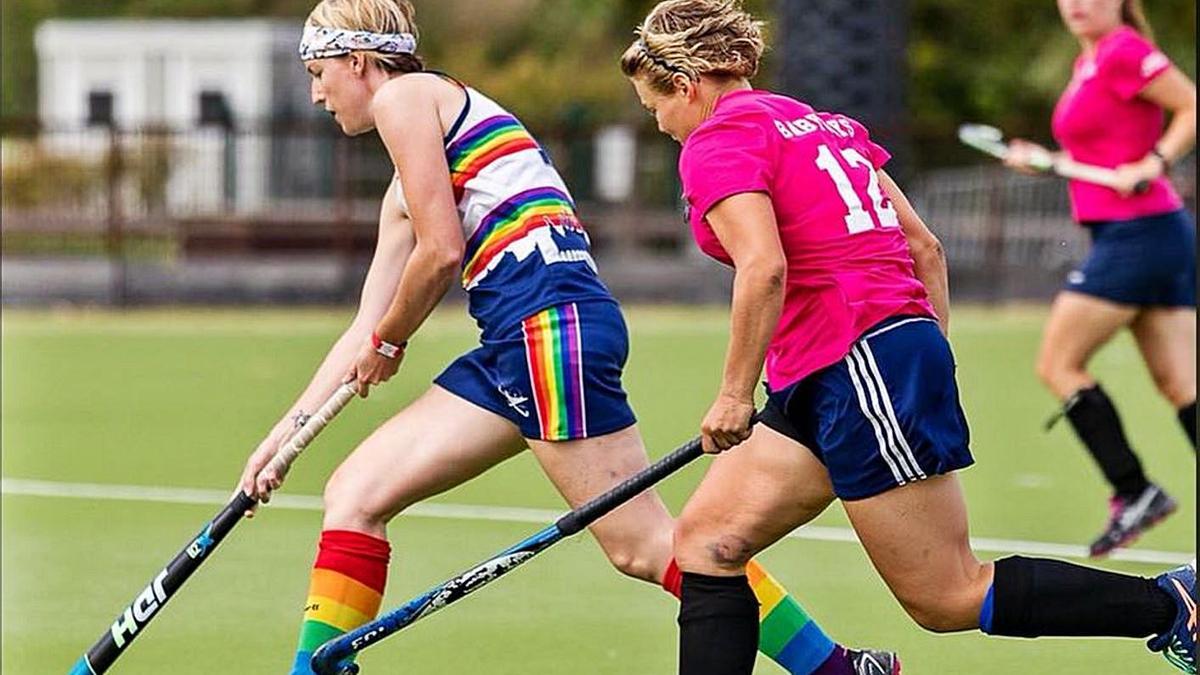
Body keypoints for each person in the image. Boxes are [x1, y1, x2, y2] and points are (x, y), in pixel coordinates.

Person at [239, 2, 898, 674]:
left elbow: (438, 255)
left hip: (547, 331)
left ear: (358, 62)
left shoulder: (406, 97)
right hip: (517, 342)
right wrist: (280, 445)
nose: (317, 92)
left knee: (646, 544)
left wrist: (390, 341)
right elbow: (364, 325)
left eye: (320, 72)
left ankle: (836, 668)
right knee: (355, 492)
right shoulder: (416, 161)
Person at [618, 1, 1197, 673]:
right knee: (706, 545)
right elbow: (926, 248)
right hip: (840, 365)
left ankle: (1172, 603)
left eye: (653, 106)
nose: (658, 123)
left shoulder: (716, 142)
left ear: (687, 85)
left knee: (946, 594)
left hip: (856, 360)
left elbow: (763, 266)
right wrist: (924, 348)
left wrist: (732, 394)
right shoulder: (826, 125)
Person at [1003, 0, 1196, 557]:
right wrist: (1045, 160)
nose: (1077, 4)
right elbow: (1098, 145)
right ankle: (1136, 492)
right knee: (1181, 385)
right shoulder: (1088, 62)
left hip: (1139, 232)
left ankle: (1134, 491)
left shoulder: (1124, 52)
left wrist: (1154, 162)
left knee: (1058, 364)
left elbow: (1189, 106)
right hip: (1145, 233)